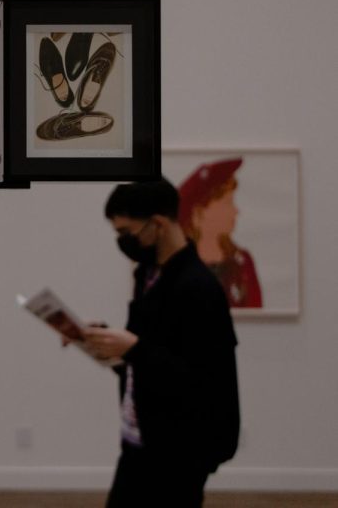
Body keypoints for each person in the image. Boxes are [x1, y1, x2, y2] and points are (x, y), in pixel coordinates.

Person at [71, 179, 240, 507]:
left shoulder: (199, 288)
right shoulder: (147, 274)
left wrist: (132, 347)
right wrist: (100, 339)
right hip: (141, 436)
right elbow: (148, 350)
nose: (123, 242)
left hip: (180, 446)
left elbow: (203, 380)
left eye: (126, 232)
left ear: (159, 224)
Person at [178, 157, 262, 308]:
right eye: (227, 203)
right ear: (198, 214)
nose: (236, 211)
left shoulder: (242, 263)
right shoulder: (178, 268)